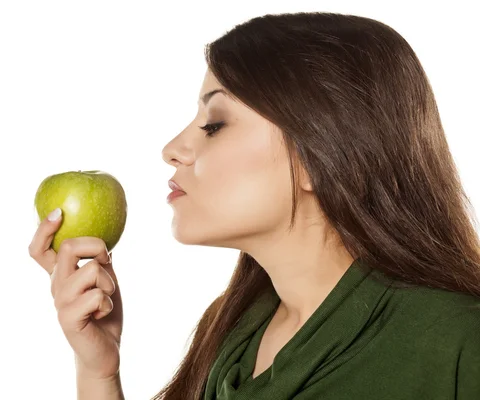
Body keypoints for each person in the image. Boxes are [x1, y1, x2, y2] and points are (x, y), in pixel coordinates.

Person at [28, 11, 480, 400]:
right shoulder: (231, 329)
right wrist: (98, 370)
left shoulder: (458, 343)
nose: (172, 148)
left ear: (316, 158)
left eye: (215, 124)